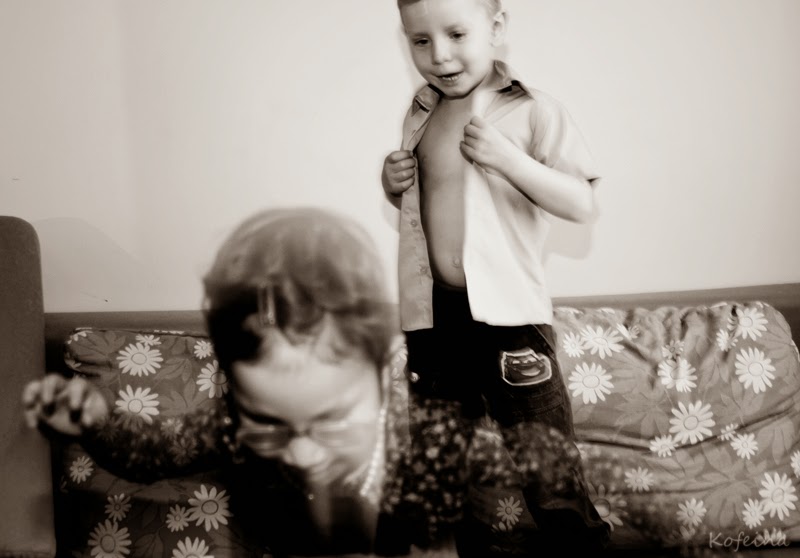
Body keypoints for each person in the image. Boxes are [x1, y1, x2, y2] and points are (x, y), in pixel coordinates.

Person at [23, 207, 605, 556]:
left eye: (329, 421)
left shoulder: (422, 431)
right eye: (269, 423)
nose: (301, 450)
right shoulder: (227, 425)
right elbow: (151, 453)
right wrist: (94, 418)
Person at [381, 0, 608, 552]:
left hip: (510, 319)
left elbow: (582, 204)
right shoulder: (420, 112)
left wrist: (512, 161)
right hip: (434, 316)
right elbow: (430, 206)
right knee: (440, 458)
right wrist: (392, 184)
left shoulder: (532, 110)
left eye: (456, 34)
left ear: (497, 28)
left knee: (545, 460)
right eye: (420, 41)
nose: (439, 56)